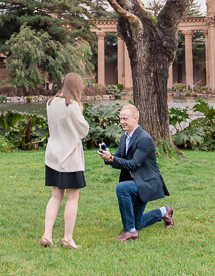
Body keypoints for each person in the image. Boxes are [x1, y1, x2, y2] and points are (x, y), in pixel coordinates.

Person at [98, 104, 174, 242]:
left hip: (148, 182)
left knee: (122, 188)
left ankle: (130, 232)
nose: (122, 122)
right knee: (137, 223)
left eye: (125, 118)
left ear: (135, 118)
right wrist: (108, 156)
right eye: (120, 119)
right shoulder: (124, 138)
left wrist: (112, 158)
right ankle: (164, 211)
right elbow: (119, 159)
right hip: (136, 181)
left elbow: (134, 164)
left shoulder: (144, 139)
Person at [41, 72, 90, 249]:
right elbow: (83, 130)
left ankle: (47, 235)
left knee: (55, 196)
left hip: (53, 155)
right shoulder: (73, 105)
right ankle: (67, 238)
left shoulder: (51, 102)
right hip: (69, 157)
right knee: (72, 198)